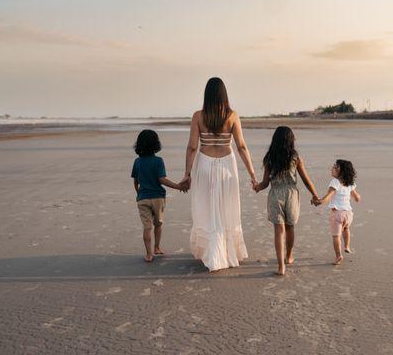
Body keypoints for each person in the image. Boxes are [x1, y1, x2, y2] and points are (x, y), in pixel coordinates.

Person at [181, 77, 257, 272]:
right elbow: (241, 146)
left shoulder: (198, 116)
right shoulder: (232, 116)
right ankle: (226, 251)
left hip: (204, 164)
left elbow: (192, 147)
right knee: (226, 207)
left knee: (206, 207)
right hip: (227, 165)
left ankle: (211, 252)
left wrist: (187, 173)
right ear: (224, 94)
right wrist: (252, 174)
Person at [253, 126, 320, 276]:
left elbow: (265, 183)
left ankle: (281, 266)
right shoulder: (295, 157)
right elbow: (305, 179)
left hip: (275, 195)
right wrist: (315, 195)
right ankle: (289, 256)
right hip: (291, 194)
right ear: (290, 140)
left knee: (279, 231)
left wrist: (257, 187)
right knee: (290, 228)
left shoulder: (269, 158)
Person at [131, 129, 187, 262]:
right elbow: (162, 180)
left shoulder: (137, 162)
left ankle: (149, 254)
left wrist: (138, 193)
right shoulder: (158, 161)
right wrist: (178, 186)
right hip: (158, 198)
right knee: (158, 224)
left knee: (147, 227)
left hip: (143, 198)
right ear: (156, 144)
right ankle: (157, 247)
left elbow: (135, 181)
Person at [316, 159, 361, 265]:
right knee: (346, 229)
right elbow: (356, 197)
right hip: (349, 214)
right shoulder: (350, 183)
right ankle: (347, 246)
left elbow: (329, 196)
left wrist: (320, 201)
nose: (331, 169)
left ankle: (338, 256)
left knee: (336, 236)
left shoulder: (335, 182)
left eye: (334, 167)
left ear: (340, 171)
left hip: (337, 214)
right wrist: (358, 197)